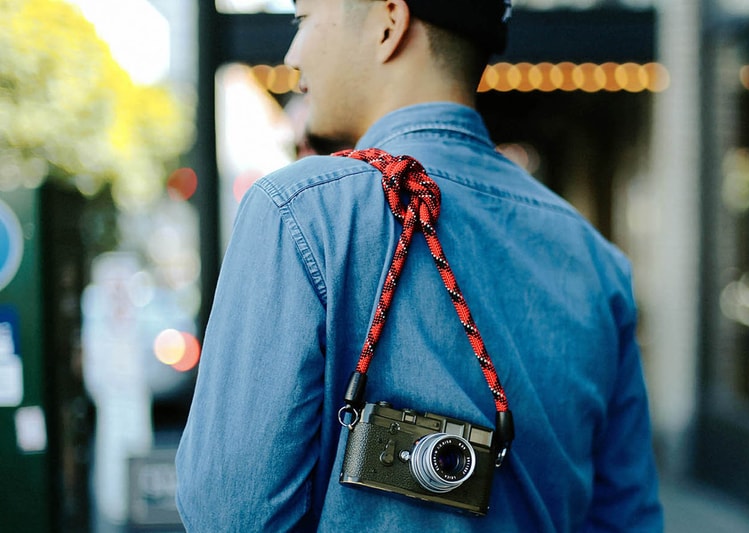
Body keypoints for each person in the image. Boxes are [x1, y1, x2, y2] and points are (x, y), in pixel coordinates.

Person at [175, 0, 664, 531]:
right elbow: (626, 519)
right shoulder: (597, 262)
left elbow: (231, 516)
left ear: (390, 21)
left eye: (304, 19)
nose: (292, 54)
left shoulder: (303, 212)